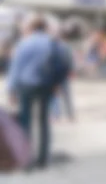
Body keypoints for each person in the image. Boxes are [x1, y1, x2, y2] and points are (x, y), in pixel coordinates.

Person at [6, 14, 70, 169]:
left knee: (25, 122)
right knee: (43, 123)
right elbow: (63, 64)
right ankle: (43, 159)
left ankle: (27, 159)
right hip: (45, 86)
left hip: (26, 86)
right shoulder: (53, 44)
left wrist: (11, 89)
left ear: (31, 28)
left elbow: (16, 68)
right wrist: (57, 84)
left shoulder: (24, 44)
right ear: (44, 28)